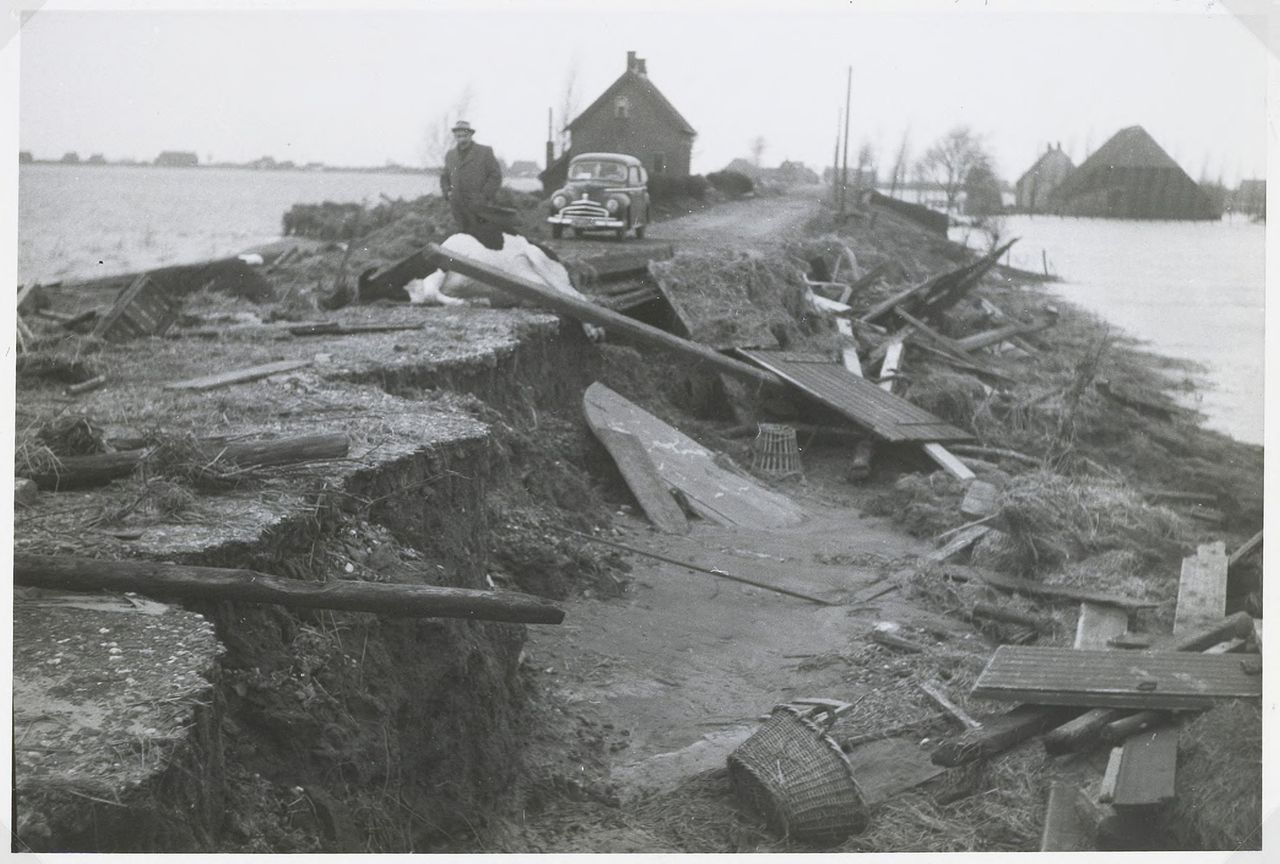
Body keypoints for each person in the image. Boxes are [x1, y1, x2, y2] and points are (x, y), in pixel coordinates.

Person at [440, 120, 502, 237]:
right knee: (463, 238)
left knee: (481, 237)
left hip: (480, 206)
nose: (461, 135)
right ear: (455, 135)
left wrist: (484, 196)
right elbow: (444, 177)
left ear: (470, 134)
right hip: (457, 206)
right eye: (457, 132)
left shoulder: (484, 152)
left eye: (464, 132)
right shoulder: (450, 155)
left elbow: (495, 176)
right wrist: (447, 192)